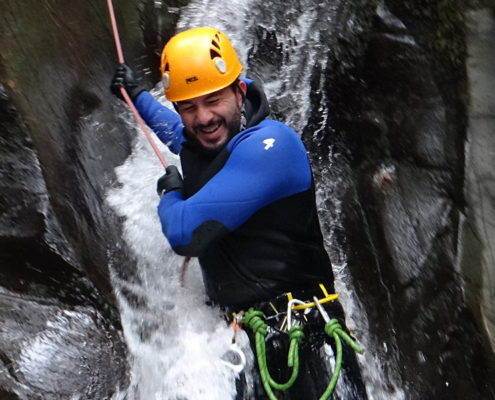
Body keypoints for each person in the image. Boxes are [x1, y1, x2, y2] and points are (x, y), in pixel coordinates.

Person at [111, 26, 367, 399]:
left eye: (213, 99)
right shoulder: (211, 135)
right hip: (246, 345)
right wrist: (134, 95)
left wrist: (171, 192)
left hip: (305, 346)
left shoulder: (272, 148)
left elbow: (185, 232)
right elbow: (176, 131)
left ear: (239, 91)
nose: (203, 117)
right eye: (188, 105)